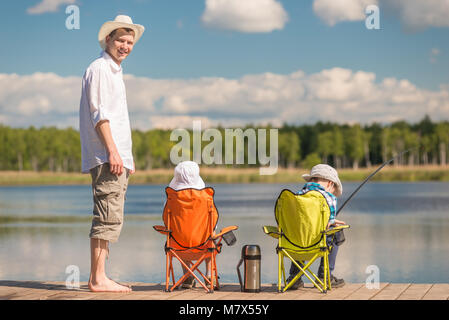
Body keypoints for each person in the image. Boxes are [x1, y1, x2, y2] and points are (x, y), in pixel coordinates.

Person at [79, 15, 145, 293]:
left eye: (129, 42)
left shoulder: (115, 71)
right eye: (120, 40)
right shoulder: (100, 69)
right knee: (106, 216)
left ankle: (101, 276)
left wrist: (125, 158)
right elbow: (100, 115)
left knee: (111, 215)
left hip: (116, 157)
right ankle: (98, 279)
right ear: (108, 39)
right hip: (107, 156)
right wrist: (113, 153)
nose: (125, 46)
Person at [286, 164, 346, 289]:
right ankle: (324, 276)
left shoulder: (296, 196)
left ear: (311, 180)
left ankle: (294, 277)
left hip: (293, 244)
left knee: (300, 232)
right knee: (336, 233)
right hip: (318, 243)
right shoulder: (329, 198)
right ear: (330, 183)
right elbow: (328, 223)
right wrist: (332, 221)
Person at [167, 161, 211, 289]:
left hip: (178, 248)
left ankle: (187, 276)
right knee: (211, 234)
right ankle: (209, 275)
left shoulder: (171, 200)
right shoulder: (207, 199)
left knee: (179, 232)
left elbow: (166, 222)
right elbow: (213, 222)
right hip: (204, 246)